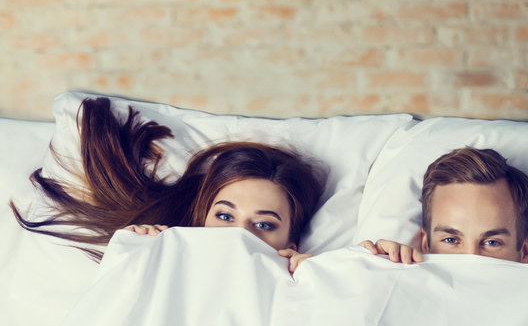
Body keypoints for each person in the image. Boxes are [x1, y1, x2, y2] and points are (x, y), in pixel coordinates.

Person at [10, 97, 325, 273]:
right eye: (225, 216)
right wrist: (133, 259)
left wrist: (330, 285)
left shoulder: (302, 288)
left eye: (263, 224)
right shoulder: (157, 263)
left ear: (290, 246)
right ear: (200, 221)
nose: (238, 235)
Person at [360, 147, 528, 299]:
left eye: (492, 242)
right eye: (451, 240)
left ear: (524, 251)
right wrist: (361, 273)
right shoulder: (390, 286)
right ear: (425, 243)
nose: (471, 261)